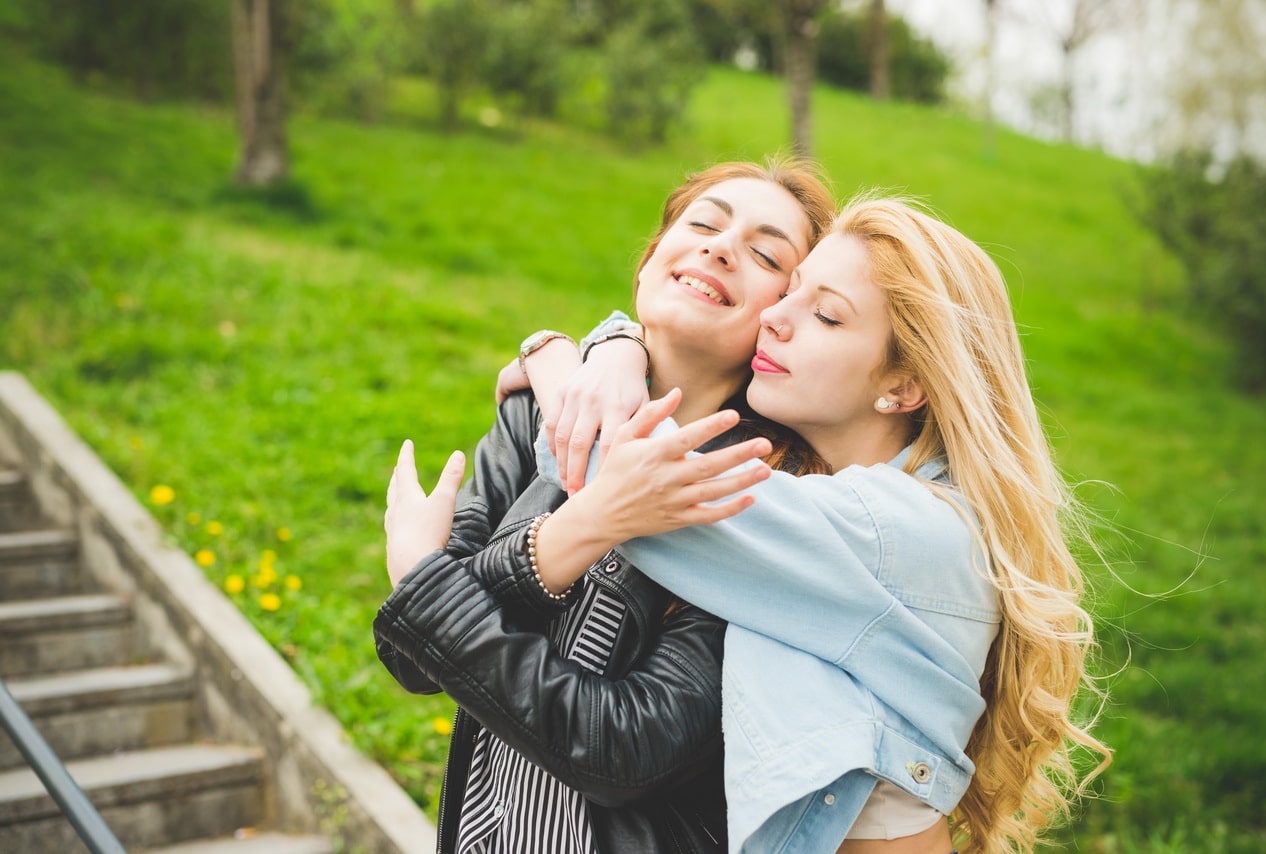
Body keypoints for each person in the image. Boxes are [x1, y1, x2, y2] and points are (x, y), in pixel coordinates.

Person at [485, 194, 1112, 852]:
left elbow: (625, 478)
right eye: (793, 291)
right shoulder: (872, 495)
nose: (775, 319)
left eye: (827, 316)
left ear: (902, 388)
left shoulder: (890, 529)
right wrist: (614, 346)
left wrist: (557, 356)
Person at [374, 159, 837, 854]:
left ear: (783, 319)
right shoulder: (535, 409)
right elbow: (413, 656)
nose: (719, 246)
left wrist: (426, 575)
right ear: (649, 265)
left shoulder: (763, 492)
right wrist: (580, 524)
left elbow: (627, 748)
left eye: (766, 253)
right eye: (702, 223)